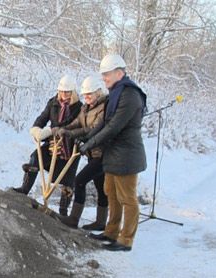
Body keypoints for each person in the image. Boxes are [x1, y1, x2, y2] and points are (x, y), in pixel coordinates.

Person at [79, 54, 147, 251]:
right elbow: (103, 123)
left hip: (127, 154)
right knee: (112, 194)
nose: (104, 78)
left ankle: (126, 240)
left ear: (120, 72)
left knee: (127, 197)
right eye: (103, 75)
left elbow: (114, 127)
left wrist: (90, 144)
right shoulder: (115, 94)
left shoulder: (130, 95)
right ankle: (111, 231)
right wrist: (87, 138)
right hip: (113, 153)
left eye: (107, 74)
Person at [13, 74, 82, 216]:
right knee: (35, 158)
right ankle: (24, 189)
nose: (64, 95)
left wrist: (66, 133)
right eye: (62, 91)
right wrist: (37, 129)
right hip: (52, 143)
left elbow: (79, 125)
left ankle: (63, 211)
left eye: (68, 92)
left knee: (68, 179)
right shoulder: (53, 103)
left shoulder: (80, 108)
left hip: (70, 145)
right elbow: (42, 118)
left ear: (73, 92)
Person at [55, 75, 108, 230]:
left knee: (79, 181)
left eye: (89, 94)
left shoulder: (103, 108)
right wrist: (65, 129)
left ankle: (74, 218)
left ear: (98, 92)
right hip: (92, 154)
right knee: (100, 187)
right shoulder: (86, 107)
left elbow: (93, 129)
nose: (87, 97)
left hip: (102, 153)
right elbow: (78, 122)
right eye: (85, 95)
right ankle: (100, 222)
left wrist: (72, 134)